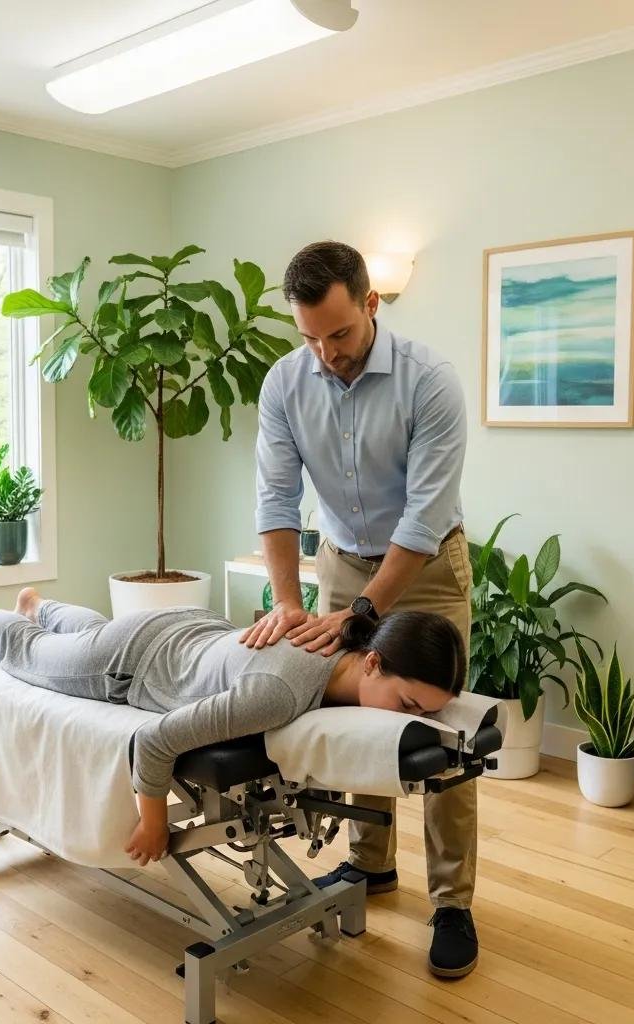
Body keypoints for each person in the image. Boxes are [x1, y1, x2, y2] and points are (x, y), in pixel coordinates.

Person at [241, 240, 478, 978]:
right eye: (309, 336)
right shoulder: (285, 384)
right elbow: (277, 503)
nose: (326, 353)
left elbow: (420, 519)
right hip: (341, 561)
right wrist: (290, 603)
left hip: (428, 565)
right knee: (351, 718)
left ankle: (452, 903)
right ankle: (368, 866)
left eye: (338, 334)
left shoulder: (429, 381)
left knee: (440, 735)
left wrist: (361, 617)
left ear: (371, 305)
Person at [0, 587, 466, 868]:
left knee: (82, 638)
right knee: (29, 652)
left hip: (187, 631)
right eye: (408, 704)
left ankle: (39, 604)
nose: (411, 721)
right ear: (373, 663)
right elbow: (155, 740)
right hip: (133, 659)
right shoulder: (279, 695)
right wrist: (153, 821)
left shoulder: (335, 639)